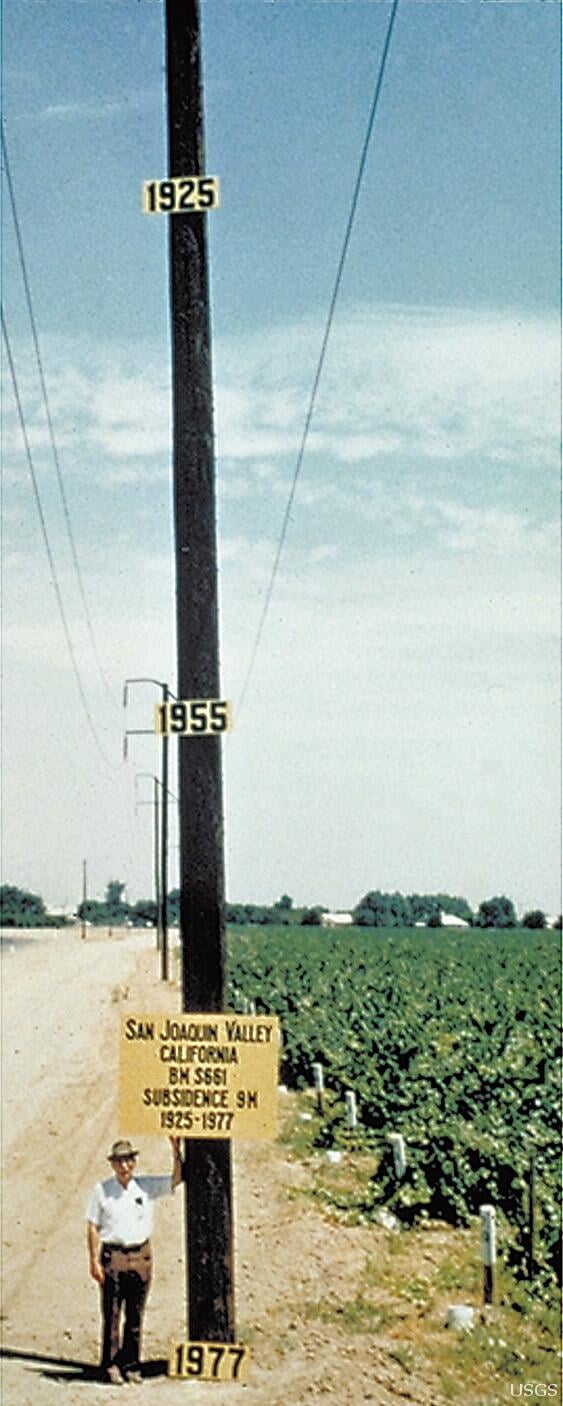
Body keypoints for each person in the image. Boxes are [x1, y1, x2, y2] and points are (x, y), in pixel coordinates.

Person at [86, 1137, 183, 1385]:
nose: (125, 1166)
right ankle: (110, 1365)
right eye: (119, 1161)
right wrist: (94, 1261)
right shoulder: (102, 1190)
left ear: (134, 1162)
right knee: (112, 1313)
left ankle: (131, 1364)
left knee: (136, 1314)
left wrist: (175, 1151)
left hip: (141, 1255)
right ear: (113, 1164)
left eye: (128, 1160)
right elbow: (93, 1226)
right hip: (114, 1255)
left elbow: (175, 1180)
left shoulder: (145, 1186)